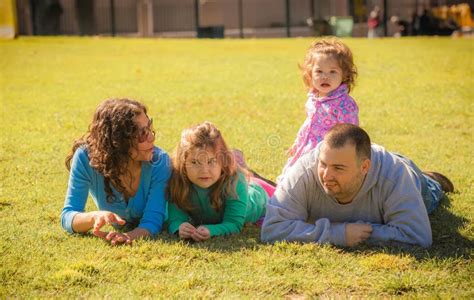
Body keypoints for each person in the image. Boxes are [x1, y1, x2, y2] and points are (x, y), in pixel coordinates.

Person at [261, 124, 454, 248]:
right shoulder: (303, 171)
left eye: (338, 168)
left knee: (429, 192)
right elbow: (273, 228)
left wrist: (364, 234)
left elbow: (417, 236)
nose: (326, 175)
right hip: (370, 158)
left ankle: (432, 179)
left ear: (364, 167)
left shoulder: (395, 177)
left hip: (411, 178)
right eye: (323, 164)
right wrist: (338, 234)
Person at [61, 99, 171, 245]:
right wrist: (94, 217)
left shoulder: (160, 162)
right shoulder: (84, 158)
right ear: (117, 141)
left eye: (149, 128)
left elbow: (153, 221)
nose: (151, 137)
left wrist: (129, 236)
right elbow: (68, 217)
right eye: (142, 133)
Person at [167, 121, 275, 242]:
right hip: (230, 177)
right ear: (183, 163)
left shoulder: (235, 183)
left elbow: (234, 223)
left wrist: (212, 230)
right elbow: (175, 218)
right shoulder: (177, 179)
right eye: (194, 162)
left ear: (222, 161)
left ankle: (242, 168)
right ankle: (237, 162)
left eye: (212, 161)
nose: (204, 171)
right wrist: (179, 227)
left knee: (259, 187)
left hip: (257, 197)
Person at [279, 38, 359, 182]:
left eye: (332, 72)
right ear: (310, 74)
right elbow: (308, 124)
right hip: (307, 147)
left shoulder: (344, 104)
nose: (325, 76)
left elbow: (351, 132)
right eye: (319, 71)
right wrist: (298, 143)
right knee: (294, 175)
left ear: (344, 75)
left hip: (328, 153)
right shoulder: (313, 98)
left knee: (315, 179)